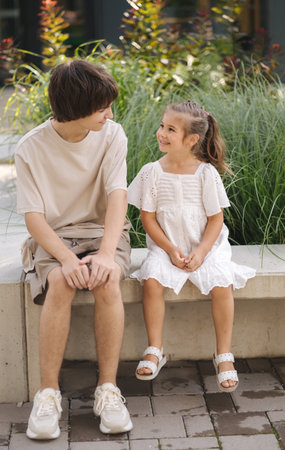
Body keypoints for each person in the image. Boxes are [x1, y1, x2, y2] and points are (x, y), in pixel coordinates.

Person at [15, 59, 133, 439]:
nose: (109, 114)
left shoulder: (112, 134)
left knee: (108, 280)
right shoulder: (30, 147)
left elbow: (118, 199)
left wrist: (105, 254)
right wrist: (66, 259)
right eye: (102, 107)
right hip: (54, 236)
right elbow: (33, 218)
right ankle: (47, 394)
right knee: (62, 283)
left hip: (104, 231)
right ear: (76, 107)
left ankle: (108, 390)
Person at [127, 101, 256, 392]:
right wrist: (171, 250)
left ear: (192, 139)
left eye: (170, 129)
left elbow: (215, 220)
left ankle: (223, 354)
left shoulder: (205, 173)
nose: (161, 132)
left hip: (206, 245)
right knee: (151, 279)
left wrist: (201, 252)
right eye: (162, 126)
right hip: (166, 244)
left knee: (222, 283)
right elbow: (147, 219)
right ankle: (154, 348)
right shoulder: (152, 172)